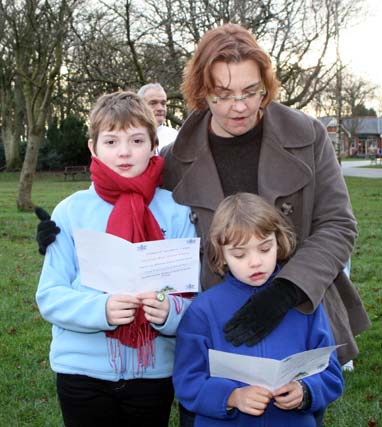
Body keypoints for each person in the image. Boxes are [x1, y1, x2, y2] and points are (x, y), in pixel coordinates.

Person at [35, 23, 370, 425]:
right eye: (223, 94)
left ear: (266, 84)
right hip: (212, 325)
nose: (240, 105)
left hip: (297, 312)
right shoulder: (177, 157)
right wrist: (61, 234)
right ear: (201, 91)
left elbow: (337, 225)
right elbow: (131, 198)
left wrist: (285, 291)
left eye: (251, 91)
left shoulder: (308, 135)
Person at [35, 91, 196, 427]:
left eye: (136, 140)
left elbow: (191, 297)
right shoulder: (71, 211)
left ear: (154, 145)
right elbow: (50, 296)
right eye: (111, 141)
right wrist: (101, 310)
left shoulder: (177, 211)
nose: (124, 152)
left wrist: (169, 312)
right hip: (81, 371)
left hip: (152, 374)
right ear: (93, 148)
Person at [173, 193, 344, 427]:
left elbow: (331, 374)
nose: (255, 262)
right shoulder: (203, 311)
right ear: (221, 256)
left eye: (265, 249)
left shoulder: (304, 304)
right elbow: (187, 381)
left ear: (279, 242)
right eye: (240, 254)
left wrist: (305, 391)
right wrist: (231, 397)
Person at [137, 83, 178, 152]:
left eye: (163, 103)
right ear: (139, 106)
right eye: (153, 103)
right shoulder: (129, 135)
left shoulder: (175, 137)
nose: (160, 108)